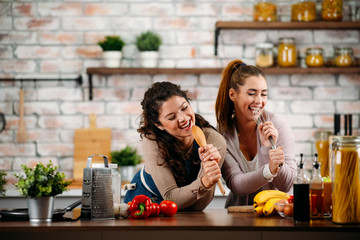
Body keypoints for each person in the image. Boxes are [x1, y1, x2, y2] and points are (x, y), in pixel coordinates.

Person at [124, 81, 226, 211]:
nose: (183, 118)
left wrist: (208, 179)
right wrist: (203, 182)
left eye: (184, 108)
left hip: (184, 209)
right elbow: (171, 199)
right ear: (158, 125)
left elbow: (198, 207)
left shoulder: (213, 141)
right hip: (143, 205)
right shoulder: (152, 140)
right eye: (171, 117)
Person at [215, 59, 296, 207]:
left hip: (276, 214)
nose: (259, 101)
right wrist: (269, 170)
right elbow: (236, 185)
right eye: (252, 93)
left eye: (264, 94)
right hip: (238, 217)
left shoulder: (278, 125)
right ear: (233, 94)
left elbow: (287, 185)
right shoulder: (223, 133)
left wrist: (268, 149)